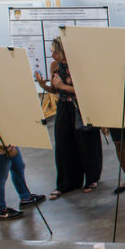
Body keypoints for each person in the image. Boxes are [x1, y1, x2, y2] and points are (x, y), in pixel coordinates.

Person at [35, 37, 101, 198]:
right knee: (63, 144)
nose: (53, 56)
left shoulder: (77, 65)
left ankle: (92, 178)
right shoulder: (54, 66)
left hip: (81, 107)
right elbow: (56, 91)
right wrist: (44, 85)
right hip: (64, 107)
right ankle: (66, 183)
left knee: (86, 143)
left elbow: (86, 89)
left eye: (56, 52)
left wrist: (63, 86)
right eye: (51, 52)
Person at [0, 142, 43, 220]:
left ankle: (25, 197)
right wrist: (6, 147)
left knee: (18, 167)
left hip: (7, 142)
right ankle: (1, 210)